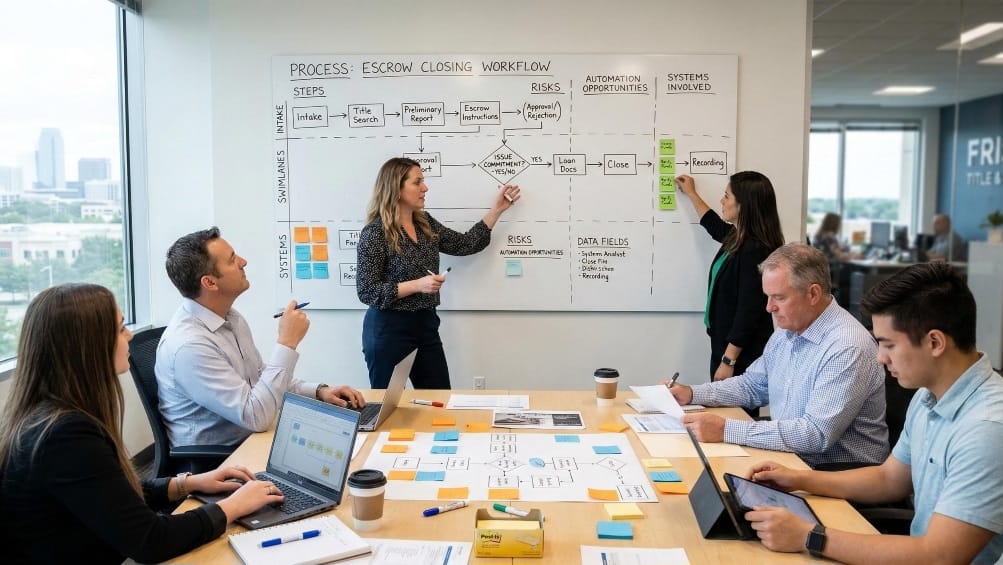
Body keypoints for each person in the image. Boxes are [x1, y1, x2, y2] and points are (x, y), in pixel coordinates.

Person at [0, 283, 286, 564]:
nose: (130, 336)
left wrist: (185, 484)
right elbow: (151, 541)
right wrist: (233, 506)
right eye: (121, 328)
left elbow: (112, 497)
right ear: (90, 345)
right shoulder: (65, 436)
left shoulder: (48, 416)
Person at [743, 263, 1002, 564]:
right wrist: (798, 479)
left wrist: (808, 536)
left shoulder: (986, 429)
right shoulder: (928, 396)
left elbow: (939, 556)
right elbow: (889, 479)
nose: (880, 358)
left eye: (888, 344)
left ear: (935, 342)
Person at [668, 244, 889, 469]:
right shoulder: (789, 330)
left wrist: (726, 430)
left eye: (779, 297)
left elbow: (815, 434)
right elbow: (752, 385)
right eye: (767, 297)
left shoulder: (847, 346)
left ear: (813, 293)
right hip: (792, 459)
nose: (769, 308)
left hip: (838, 472)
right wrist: (693, 393)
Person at [156, 227, 364, 452]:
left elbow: (261, 381)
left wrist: (319, 391)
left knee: (350, 442)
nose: (243, 262)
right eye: (232, 259)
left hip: (255, 439)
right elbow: (256, 416)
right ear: (210, 283)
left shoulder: (231, 318)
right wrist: (287, 342)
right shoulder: (190, 347)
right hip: (222, 460)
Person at [356, 156, 520, 389]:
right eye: (417, 182)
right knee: (390, 409)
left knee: (439, 400)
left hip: (425, 325)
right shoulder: (375, 233)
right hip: (388, 330)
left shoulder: (426, 224)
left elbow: (465, 244)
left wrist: (497, 210)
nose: (425, 187)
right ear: (396, 188)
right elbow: (367, 291)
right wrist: (417, 285)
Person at [676, 172, 784, 384]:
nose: (722, 201)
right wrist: (691, 193)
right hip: (725, 344)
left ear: (743, 205)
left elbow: (749, 311)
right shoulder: (738, 238)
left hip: (739, 353)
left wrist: (728, 360)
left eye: (727, 196)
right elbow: (714, 226)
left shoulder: (756, 249)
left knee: (734, 413)